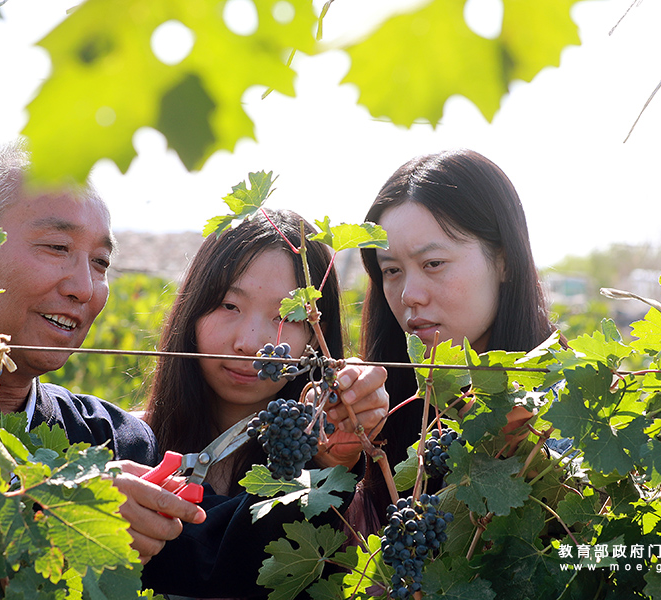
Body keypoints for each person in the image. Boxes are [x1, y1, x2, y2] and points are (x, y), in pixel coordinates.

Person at [0, 141, 205, 564]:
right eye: (57, 247)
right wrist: (61, 510)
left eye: (100, 262)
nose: (85, 288)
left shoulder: (117, 442)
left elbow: (213, 549)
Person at [142, 209, 389, 594]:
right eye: (229, 305)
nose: (251, 343)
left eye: (284, 316)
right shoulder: (127, 445)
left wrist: (334, 458)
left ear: (315, 335)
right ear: (192, 311)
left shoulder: (345, 498)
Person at [358, 148, 556, 514]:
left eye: (433, 263)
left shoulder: (571, 402)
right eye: (391, 270)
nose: (409, 295)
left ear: (505, 261)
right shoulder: (372, 412)